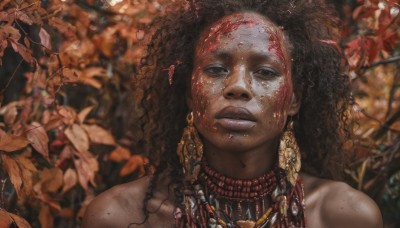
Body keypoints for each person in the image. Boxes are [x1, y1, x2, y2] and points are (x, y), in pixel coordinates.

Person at [82, 0, 383, 227]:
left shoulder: (344, 215)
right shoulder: (120, 216)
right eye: (216, 69)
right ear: (189, 93)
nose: (238, 86)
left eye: (265, 72)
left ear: (294, 99)